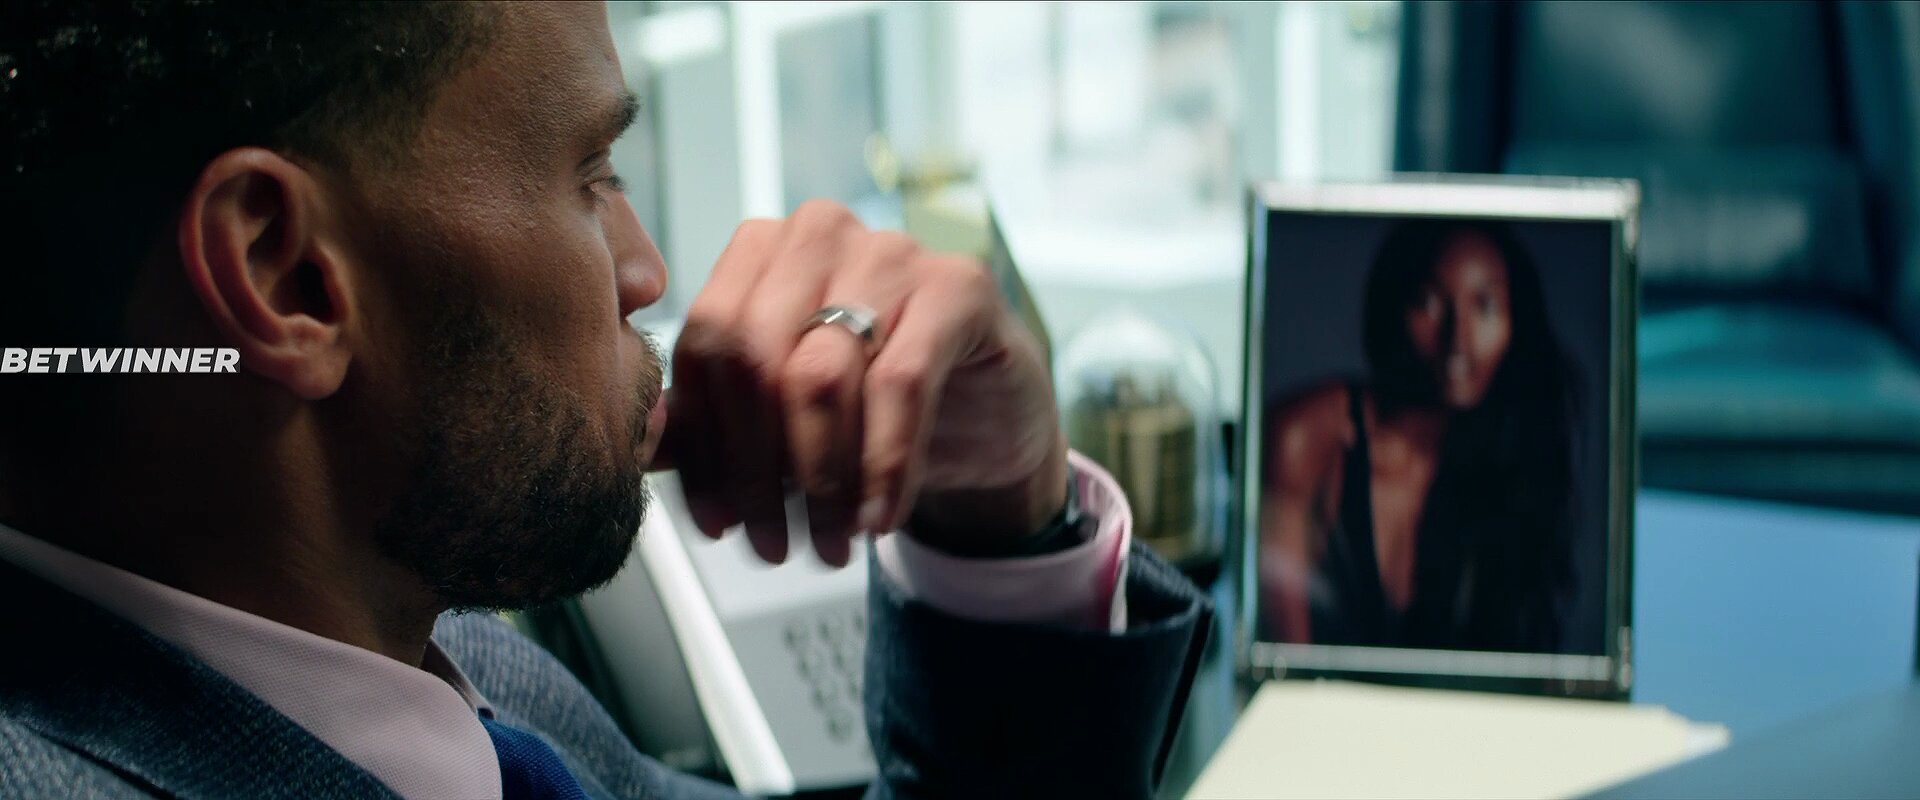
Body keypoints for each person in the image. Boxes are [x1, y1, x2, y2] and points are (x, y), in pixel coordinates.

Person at [0, 3, 1210, 799]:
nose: (646, 268)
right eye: (591, 174)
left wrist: (997, 529)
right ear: (288, 274)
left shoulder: (459, 680)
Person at [1259, 219, 1577, 653]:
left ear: (1515, 324)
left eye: (1485, 305)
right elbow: (1284, 663)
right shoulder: (1304, 438)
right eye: (1429, 301)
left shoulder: (1512, 458)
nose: (1458, 339)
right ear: (1392, 307)